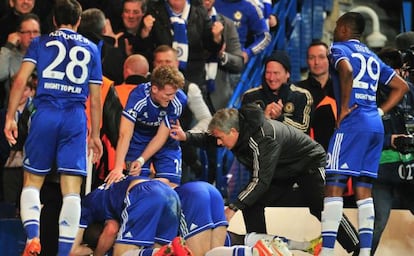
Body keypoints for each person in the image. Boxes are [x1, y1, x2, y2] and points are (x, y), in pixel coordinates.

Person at [3, 1, 104, 255]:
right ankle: (63, 252)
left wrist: (9, 117)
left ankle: (33, 238)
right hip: (75, 119)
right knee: (71, 191)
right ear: (78, 21)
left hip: (46, 114)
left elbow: (20, 80)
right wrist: (95, 135)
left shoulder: (40, 43)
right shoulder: (92, 48)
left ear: (54, 21)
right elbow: (96, 98)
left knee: (32, 182)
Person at [170, 103, 327, 252]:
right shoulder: (236, 131)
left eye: (221, 138)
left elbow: (260, 181)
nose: (219, 143)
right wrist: (186, 137)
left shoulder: (261, 139)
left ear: (233, 131)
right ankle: (260, 250)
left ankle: (352, 246)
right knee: (252, 202)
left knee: (321, 207)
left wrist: (232, 208)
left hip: (309, 162)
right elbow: (210, 138)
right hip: (283, 168)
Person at [320, 12, 409, 256]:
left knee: (334, 185)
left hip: (352, 123)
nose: (335, 30)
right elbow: (401, 87)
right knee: (364, 190)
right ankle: (366, 251)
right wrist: (380, 111)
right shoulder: (371, 55)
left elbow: (346, 72)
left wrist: (344, 107)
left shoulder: (339, 49)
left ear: (345, 30)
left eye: (338, 26)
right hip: (374, 126)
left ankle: (327, 253)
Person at [104, 65, 187, 188]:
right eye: (168, 94)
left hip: (165, 142)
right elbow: (125, 134)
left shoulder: (179, 100)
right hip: (138, 140)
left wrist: (141, 159)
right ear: (154, 89)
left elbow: (161, 137)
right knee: (137, 185)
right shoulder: (138, 97)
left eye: (174, 94)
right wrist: (118, 167)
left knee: (170, 186)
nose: (172, 98)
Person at [371, 47, 414, 255]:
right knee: (377, 224)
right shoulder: (368, 96)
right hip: (382, 172)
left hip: (411, 170)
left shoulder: (411, 92)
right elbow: (361, 136)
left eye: (396, 72)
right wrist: (390, 140)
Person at [70, 176, 182, 256]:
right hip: (170, 193)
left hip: (144, 193)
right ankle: (170, 250)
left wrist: (96, 252)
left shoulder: (85, 206)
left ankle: (163, 251)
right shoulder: (104, 199)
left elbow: (111, 230)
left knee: (121, 254)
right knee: (160, 250)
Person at [152, 45, 212, 182]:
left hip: (180, 154)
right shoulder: (145, 88)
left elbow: (207, 119)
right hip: (148, 153)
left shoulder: (190, 89)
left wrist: (187, 135)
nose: (164, 66)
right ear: (154, 65)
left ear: (177, 63)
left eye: (168, 62)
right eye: (160, 62)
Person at [137, 0, 224, 87]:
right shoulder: (154, 10)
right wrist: (145, 33)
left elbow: (211, 48)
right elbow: (142, 49)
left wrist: (217, 37)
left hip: (193, 77)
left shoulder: (199, 10)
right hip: (161, 80)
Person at [202, 0, 244, 112]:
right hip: (190, 91)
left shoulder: (227, 24)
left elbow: (239, 63)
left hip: (218, 96)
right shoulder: (184, 21)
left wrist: (221, 55)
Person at [296, 41, 336, 150]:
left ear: (330, 59)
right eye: (312, 58)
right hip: (307, 152)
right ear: (307, 61)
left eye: (321, 57)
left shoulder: (340, 89)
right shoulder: (297, 91)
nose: (316, 62)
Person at [0, 13, 40, 108]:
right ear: (18, 34)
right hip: (13, 112)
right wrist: (8, 47)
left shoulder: (47, 55)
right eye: (27, 32)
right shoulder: (9, 55)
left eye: (35, 32)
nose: (32, 36)